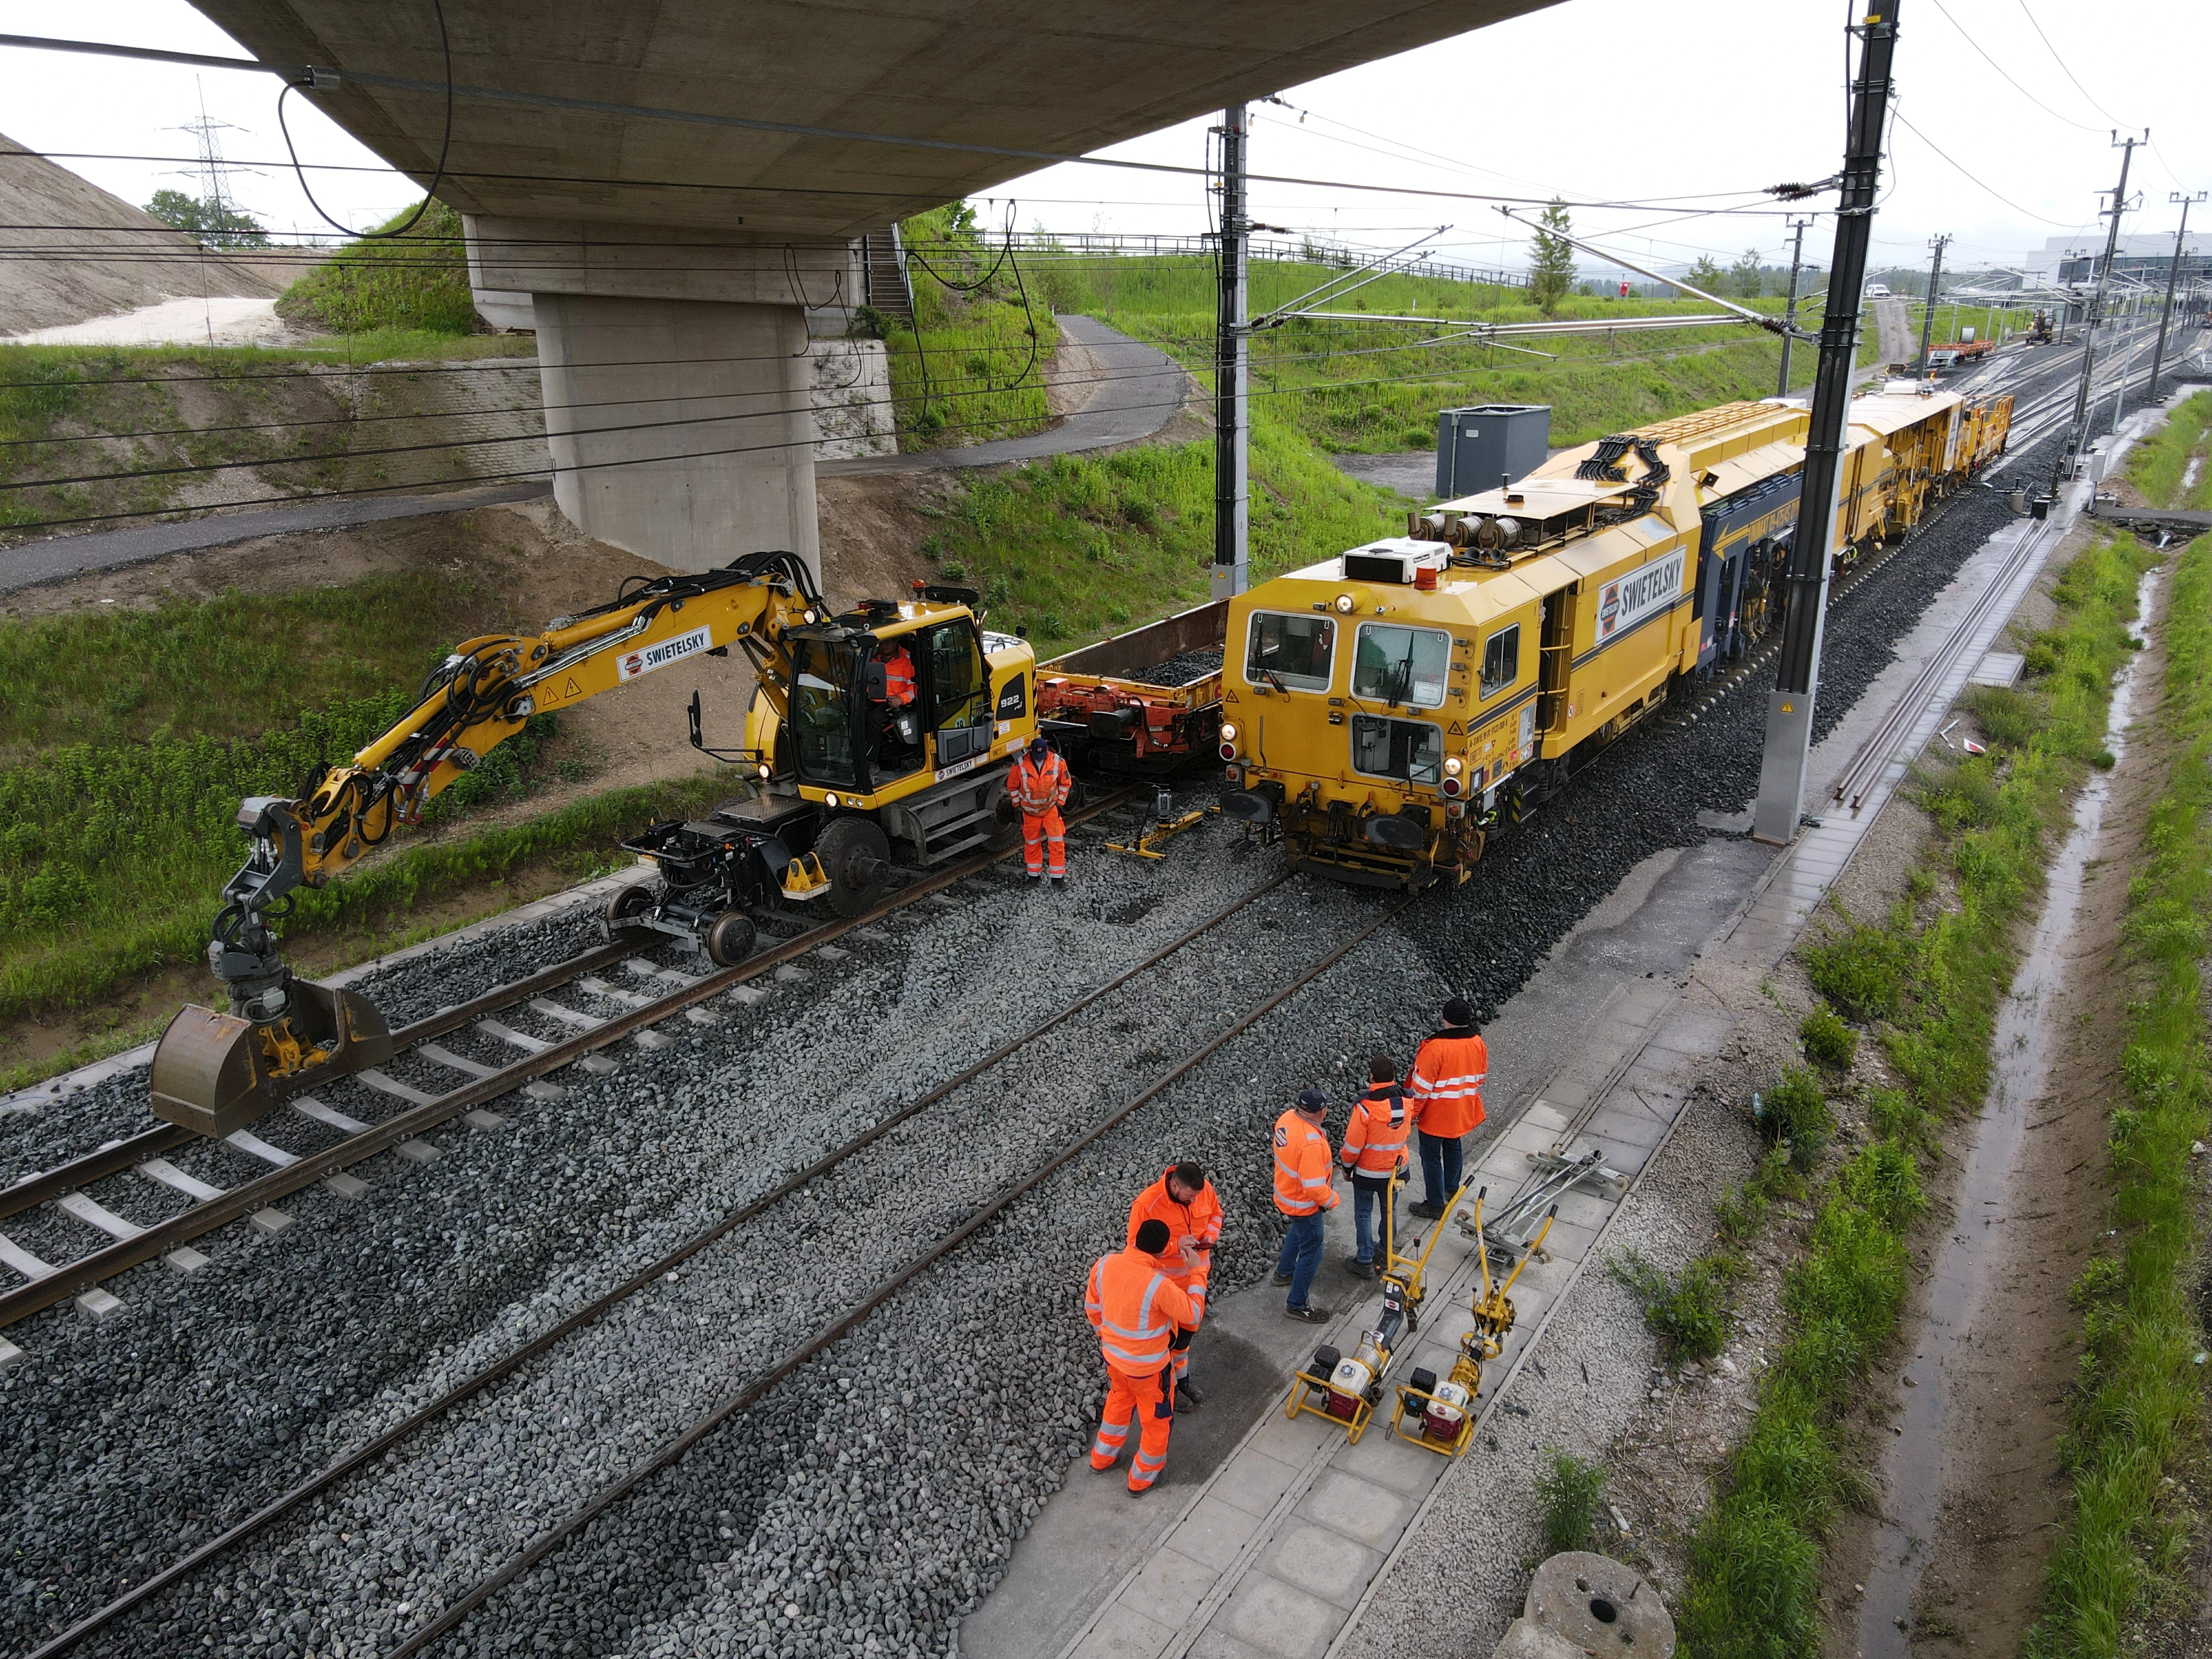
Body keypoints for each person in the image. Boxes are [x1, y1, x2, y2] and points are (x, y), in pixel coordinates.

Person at [1085, 1217, 1197, 1497]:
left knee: (1119, 1402)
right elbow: (1192, 1313)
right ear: (1160, 1251)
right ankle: (1143, 1479)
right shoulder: (1159, 1285)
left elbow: (1093, 1307)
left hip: (1114, 1360)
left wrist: (1107, 1338)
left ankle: (1103, 1457)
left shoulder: (1105, 1265)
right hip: (1149, 1370)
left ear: (1135, 1240)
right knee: (1156, 1422)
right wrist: (1197, 1272)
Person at [1128, 1162, 1223, 1408]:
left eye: (1196, 1197)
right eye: (1189, 1196)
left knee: (1183, 1341)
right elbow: (1135, 1247)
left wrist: (1211, 1236)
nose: (1193, 1201)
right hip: (1165, 1288)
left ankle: (1183, 1381)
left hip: (1194, 1282)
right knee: (1165, 1344)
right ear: (1174, 1185)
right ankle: (1169, 1391)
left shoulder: (1204, 1191)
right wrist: (1175, 1246)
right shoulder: (1147, 1204)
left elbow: (1215, 1215)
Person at [1406, 998, 1489, 1219]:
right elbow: (1480, 1078)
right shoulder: (1477, 1043)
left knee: (1431, 1156)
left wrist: (1412, 1114)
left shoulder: (1435, 1048)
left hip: (1436, 1114)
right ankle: (1452, 1188)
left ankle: (1435, 1204)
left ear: (1446, 1019)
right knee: (1453, 1147)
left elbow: (1421, 1089)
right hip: (1462, 1109)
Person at [1338, 1056, 1411, 1278]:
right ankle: (1387, 1253)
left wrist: (1347, 1168)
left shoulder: (1365, 1109)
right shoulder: (1407, 1101)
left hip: (1368, 1174)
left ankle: (1365, 1260)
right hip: (1397, 1170)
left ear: (1372, 1077)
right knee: (1390, 1210)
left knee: (1363, 1213)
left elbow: (1352, 1146)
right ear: (1394, 1076)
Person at [1270, 1087, 1339, 1323]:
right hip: (1304, 1204)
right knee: (1312, 1250)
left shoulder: (1288, 1118)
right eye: (1326, 1107)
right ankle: (1297, 1304)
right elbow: (1314, 1189)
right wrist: (1333, 1200)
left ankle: (1284, 1272)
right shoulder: (1311, 1144)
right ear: (1319, 1112)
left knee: (1298, 1234)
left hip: (1287, 1194)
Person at [1005, 733, 1073, 888]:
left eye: (1041, 756)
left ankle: (1058, 880)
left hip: (1050, 810)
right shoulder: (1020, 765)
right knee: (1031, 844)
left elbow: (1066, 783)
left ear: (1046, 752)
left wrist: (1059, 803)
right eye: (1037, 755)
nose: (1039, 758)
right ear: (1031, 752)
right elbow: (1012, 787)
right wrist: (1018, 805)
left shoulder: (1057, 762)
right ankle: (1033, 877)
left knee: (1056, 843)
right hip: (1030, 813)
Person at [867, 638, 920, 769]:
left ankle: (870, 760)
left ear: (896, 642)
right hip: (871, 698)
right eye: (883, 643)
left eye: (888, 642)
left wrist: (901, 699)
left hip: (892, 702)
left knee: (874, 718)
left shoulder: (905, 663)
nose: (884, 646)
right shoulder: (873, 660)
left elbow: (914, 687)